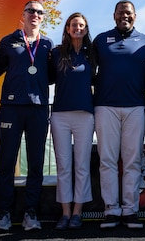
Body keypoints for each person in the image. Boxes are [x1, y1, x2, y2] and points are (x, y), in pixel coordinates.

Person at [0, 0, 53, 232]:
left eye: (39, 12)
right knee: (6, 161)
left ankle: (31, 212)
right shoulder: (8, 41)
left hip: (38, 109)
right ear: (23, 14)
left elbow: (52, 75)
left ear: (43, 17)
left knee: (35, 164)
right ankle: (4, 213)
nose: (35, 15)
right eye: (31, 11)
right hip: (11, 108)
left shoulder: (48, 43)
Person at [93, 0, 145, 229]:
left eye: (128, 13)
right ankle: (111, 210)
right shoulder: (100, 40)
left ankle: (130, 210)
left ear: (135, 16)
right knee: (107, 161)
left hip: (136, 107)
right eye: (120, 13)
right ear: (114, 15)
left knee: (133, 161)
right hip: (105, 106)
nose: (124, 16)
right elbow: (88, 70)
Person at [50, 13, 96, 230]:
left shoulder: (92, 54)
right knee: (64, 165)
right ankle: (65, 213)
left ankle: (78, 211)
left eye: (81, 25)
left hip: (85, 115)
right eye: (73, 25)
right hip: (59, 115)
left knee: (82, 165)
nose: (77, 28)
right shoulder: (56, 53)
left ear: (86, 29)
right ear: (67, 28)